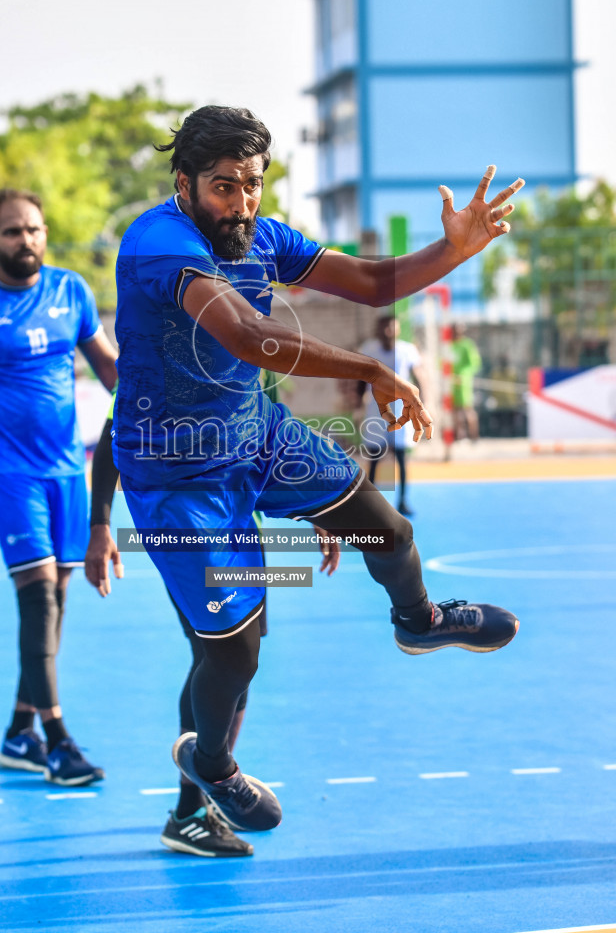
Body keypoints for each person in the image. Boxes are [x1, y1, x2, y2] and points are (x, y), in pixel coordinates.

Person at [112, 105, 520, 839]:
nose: (241, 202)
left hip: (254, 435)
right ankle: (211, 768)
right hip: (179, 477)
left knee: (385, 529)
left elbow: (369, 281)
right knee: (235, 652)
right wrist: (370, 368)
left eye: (252, 185)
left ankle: (419, 621)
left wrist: (452, 250)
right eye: (223, 187)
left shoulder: (263, 237)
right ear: (184, 184)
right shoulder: (159, 245)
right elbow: (248, 335)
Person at [84, 406, 340, 857]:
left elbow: (264, 444)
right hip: (186, 530)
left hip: (239, 530)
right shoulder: (162, 348)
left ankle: (209, 796)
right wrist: (100, 526)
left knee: (239, 668)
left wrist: (314, 507)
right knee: (214, 659)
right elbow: (110, 440)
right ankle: (189, 812)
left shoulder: (238, 358)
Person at [0, 188, 119, 787]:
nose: (26, 240)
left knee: (55, 603)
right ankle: (59, 742)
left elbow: (111, 369)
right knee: (38, 596)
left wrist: (166, 407)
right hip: (8, 472)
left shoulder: (72, 292)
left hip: (69, 468)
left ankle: (19, 731)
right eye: (12, 232)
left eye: (34, 229)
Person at [355, 315, 422, 514]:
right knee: (374, 456)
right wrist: (358, 404)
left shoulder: (407, 350)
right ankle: (371, 503)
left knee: (400, 456)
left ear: (398, 329)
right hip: (376, 409)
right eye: (384, 327)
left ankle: (402, 500)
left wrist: (420, 405)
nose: (388, 331)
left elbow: (418, 377)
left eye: (391, 327)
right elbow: (360, 379)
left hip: (401, 409)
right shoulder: (368, 349)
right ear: (378, 329)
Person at [448, 321, 482, 451]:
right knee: (455, 411)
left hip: (464, 382)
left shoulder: (467, 345)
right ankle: (461, 436)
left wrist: (463, 375)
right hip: (451, 382)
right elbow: (443, 362)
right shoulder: (449, 345)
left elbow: (474, 363)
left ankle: (474, 437)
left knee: (467, 409)